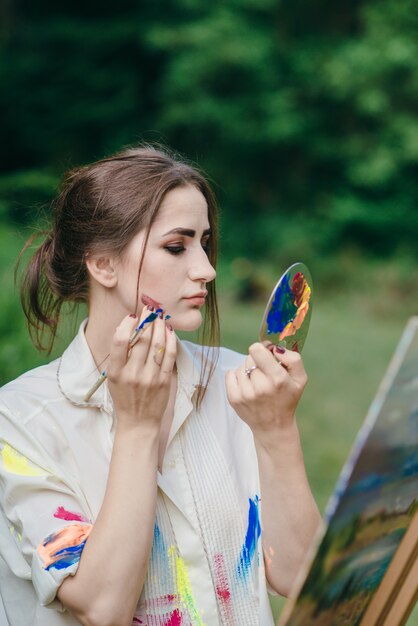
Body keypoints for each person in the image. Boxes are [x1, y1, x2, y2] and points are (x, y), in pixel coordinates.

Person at [0, 145, 321, 626]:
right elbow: (103, 607)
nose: (207, 270)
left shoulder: (239, 385)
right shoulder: (20, 422)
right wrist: (138, 425)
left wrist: (276, 431)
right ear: (103, 265)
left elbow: (298, 580)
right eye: (177, 246)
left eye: (205, 244)